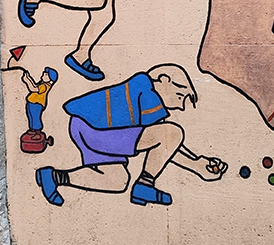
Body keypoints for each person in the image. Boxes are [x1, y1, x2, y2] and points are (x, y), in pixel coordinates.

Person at [35, 64, 227, 207]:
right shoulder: (146, 90)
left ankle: (54, 177)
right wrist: (195, 165)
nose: (181, 106)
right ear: (164, 80)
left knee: (117, 180)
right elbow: (166, 140)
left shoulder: (140, 90)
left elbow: (164, 145)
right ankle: (145, 185)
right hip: (98, 131)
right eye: (180, 96)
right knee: (173, 132)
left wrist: (197, 162)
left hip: (84, 127)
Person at [23, 67, 58, 135]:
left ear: (50, 79)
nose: (43, 74)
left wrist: (27, 80)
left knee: (35, 117)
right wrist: (28, 78)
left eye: (46, 74)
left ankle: (38, 132)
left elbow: (33, 88)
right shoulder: (42, 84)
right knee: (31, 116)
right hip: (32, 102)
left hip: (37, 104)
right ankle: (33, 130)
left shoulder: (45, 86)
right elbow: (34, 85)